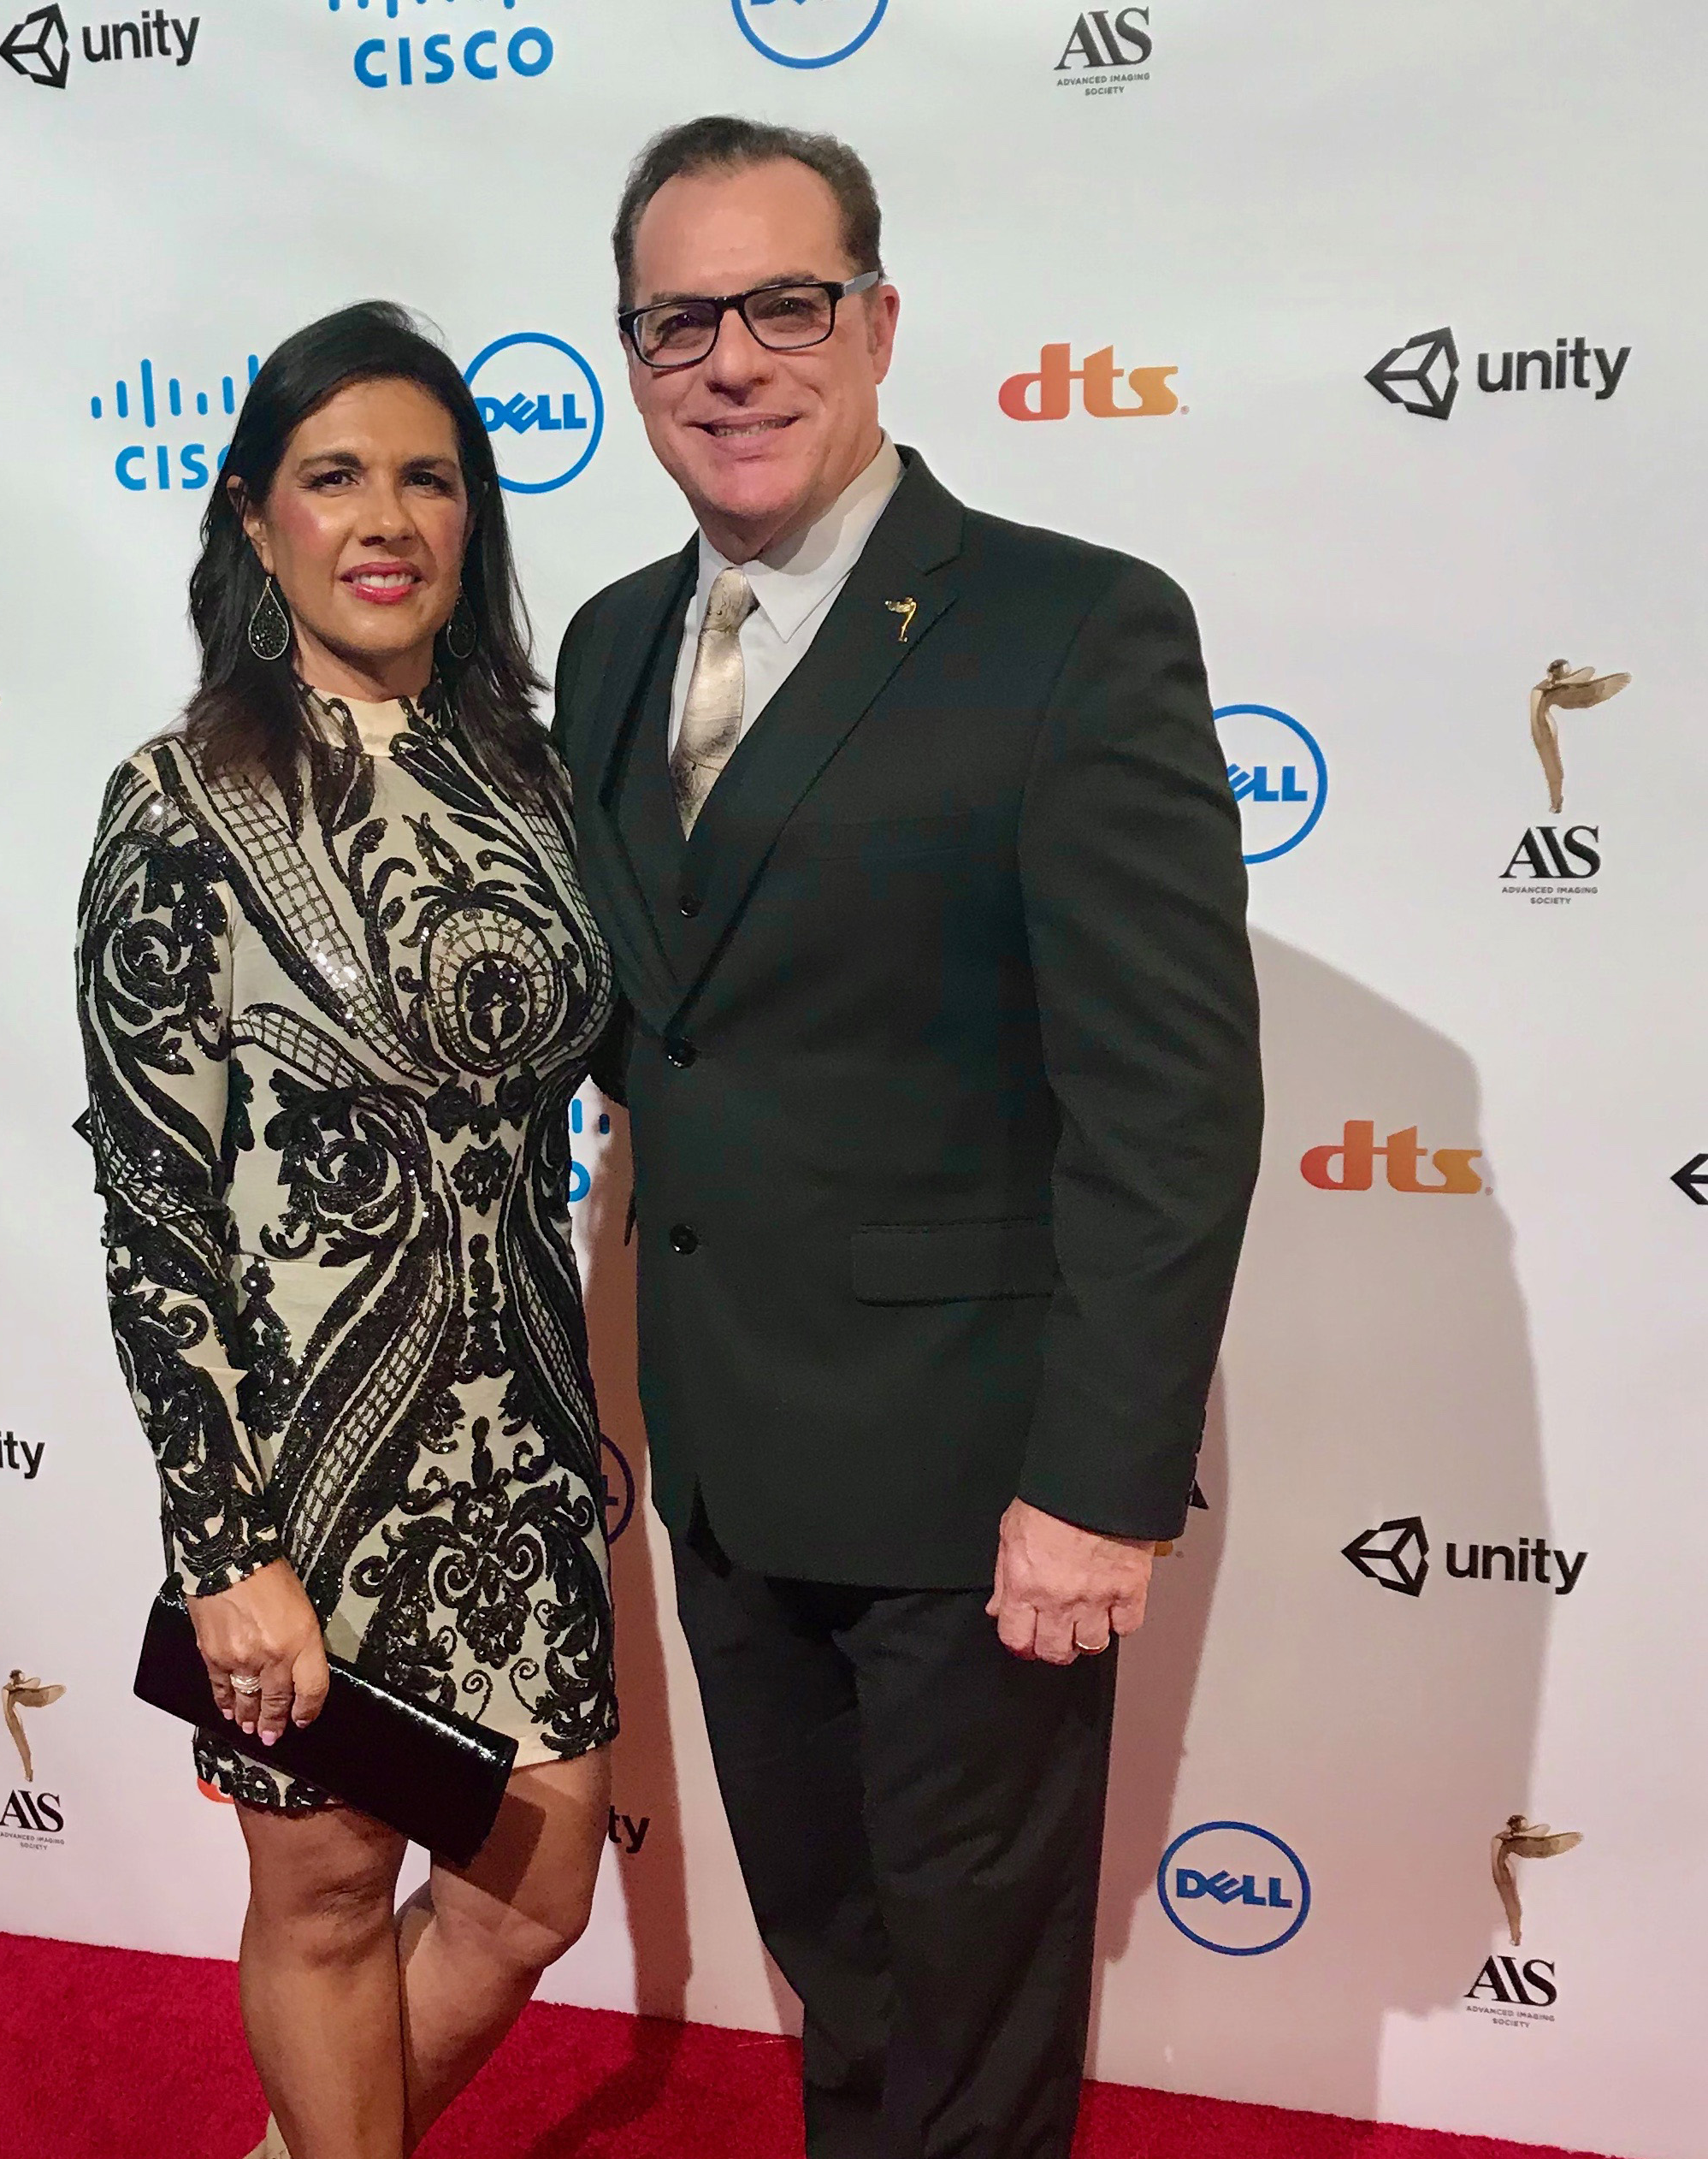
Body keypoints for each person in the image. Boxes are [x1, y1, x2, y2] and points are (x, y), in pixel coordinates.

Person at [553, 119, 1264, 2156]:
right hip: (723, 1467)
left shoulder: (1069, 630)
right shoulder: (606, 643)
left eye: (783, 304)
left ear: (874, 324)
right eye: (678, 318)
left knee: (971, 2021)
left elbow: (1169, 1098)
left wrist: (1097, 1489)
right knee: (839, 1979)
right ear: (627, 353)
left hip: (978, 1498)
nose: (731, 359)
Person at [76, 302, 618, 2159]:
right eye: (333, 476)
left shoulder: (538, 782)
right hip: (309, 1461)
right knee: (319, 1899)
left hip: (526, 1450)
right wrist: (226, 1551)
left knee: (534, 1893)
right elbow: (154, 1206)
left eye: (426, 476)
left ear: (470, 522)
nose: (383, 516)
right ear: (254, 519)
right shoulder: (180, 802)